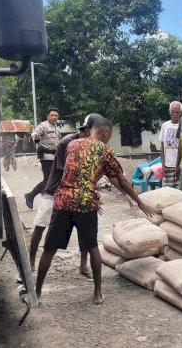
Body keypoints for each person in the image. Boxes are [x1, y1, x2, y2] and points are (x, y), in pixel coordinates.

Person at [34, 116, 155, 305]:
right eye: (110, 135)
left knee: (49, 248)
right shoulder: (105, 151)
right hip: (85, 202)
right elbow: (121, 180)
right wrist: (138, 201)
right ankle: (98, 293)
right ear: (106, 132)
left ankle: (37, 293)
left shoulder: (72, 144)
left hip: (63, 200)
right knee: (92, 247)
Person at [29, 113, 104, 275]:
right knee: (41, 226)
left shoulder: (93, 145)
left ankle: (84, 264)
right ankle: (31, 261)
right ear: (88, 129)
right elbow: (70, 173)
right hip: (55, 190)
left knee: (85, 230)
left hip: (73, 193)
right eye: (96, 131)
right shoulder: (67, 143)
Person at [25, 107, 61, 209]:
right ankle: (30, 195)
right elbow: (35, 134)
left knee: (56, 179)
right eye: (52, 115)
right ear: (47, 116)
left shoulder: (56, 128)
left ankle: (50, 198)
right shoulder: (43, 125)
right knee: (48, 180)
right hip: (46, 157)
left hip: (56, 157)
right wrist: (36, 137)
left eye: (56, 115)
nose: (54, 117)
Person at [159, 101, 182, 188]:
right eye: (173, 112)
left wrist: (179, 165)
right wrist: (163, 164)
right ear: (169, 112)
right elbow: (162, 146)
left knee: (181, 193)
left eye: (177, 112)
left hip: (181, 166)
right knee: (167, 192)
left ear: (181, 113)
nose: (175, 114)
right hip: (167, 166)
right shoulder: (165, 126)